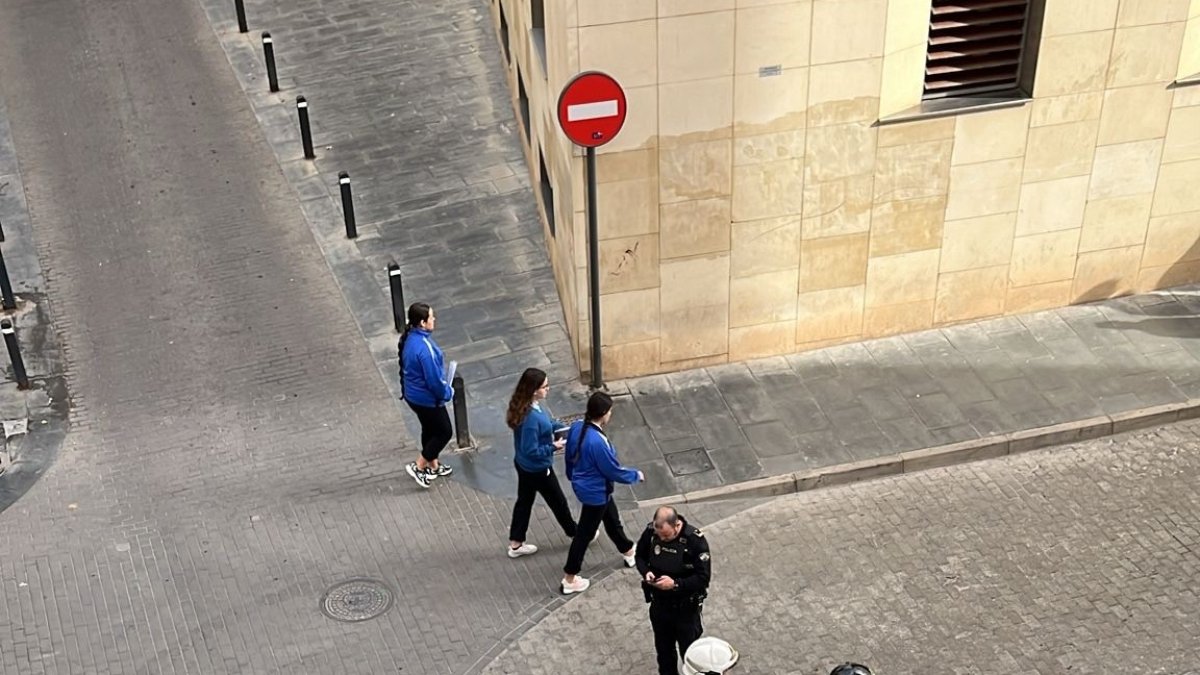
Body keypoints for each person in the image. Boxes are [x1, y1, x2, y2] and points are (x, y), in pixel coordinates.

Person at [560, 391, 643, 595]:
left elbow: (570, 456)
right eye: (610, 411)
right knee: (584, 534)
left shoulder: (578, 426)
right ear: (604, 413)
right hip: (595, 491)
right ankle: (569, 577)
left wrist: (572, 476)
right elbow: (612, 470)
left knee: (611, 518)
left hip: (590, 487)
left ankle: (628, 550)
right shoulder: (597, 442)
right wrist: (635, 475)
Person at [504, 367, 579, 558]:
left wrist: (559, 427)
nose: (548, 389)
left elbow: (546, 424)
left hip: (523, 465)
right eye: (545, 386)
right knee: (558, 502)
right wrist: (553, 447)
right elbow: (532, 449)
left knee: (525, 502)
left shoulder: (530, 406)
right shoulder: (530, 419)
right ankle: (575, 533)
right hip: (537, 469)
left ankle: (516, 543)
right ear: (534, 389)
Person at [635, 506, 712, 675]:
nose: (662, 538)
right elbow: (639, 556)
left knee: (691, 655)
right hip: (660, 606)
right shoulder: (651, 532)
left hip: (685, 609)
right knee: (664, 653)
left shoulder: (694, 541)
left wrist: (676, 584)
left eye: (666, 535)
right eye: (660, 535)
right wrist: (646, 571)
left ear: (677, 525)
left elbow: (703, 578)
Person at [398, 302, 454, 489]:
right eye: (431, 317)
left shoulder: (411, 339)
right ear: (422, 322)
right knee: (444, 431)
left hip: (412, 395)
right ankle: (419, 465)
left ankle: (433, 465)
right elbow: (434, 382)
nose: (434, 319)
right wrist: (447, 393)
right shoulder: (425, 349)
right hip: (426, 399)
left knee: (429, 429)